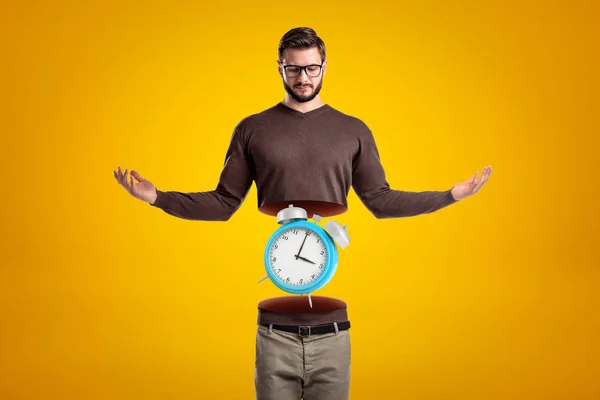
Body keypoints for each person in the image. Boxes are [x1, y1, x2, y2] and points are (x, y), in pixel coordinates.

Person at [113, 27, 492, 400]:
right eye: (293, 68)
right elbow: (224, 202)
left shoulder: (353, 130)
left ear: (325, 66)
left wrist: (451, 195)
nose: (303, 77)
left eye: (311, 68)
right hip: (279, 288)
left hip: (333, 302)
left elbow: (380, 200)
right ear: (279, 68)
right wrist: (156, 197)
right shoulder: (252, 128)